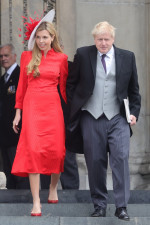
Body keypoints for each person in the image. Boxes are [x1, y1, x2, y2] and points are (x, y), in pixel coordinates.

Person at [66, 21, 141, 221]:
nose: (103, 43)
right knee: (95, 161)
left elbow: (134, 91)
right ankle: (99, 204)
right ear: (94, 39)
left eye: (107, 39)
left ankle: (121, 206)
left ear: (113, 39)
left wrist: (133, 112)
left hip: (118, 117)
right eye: (99, 39)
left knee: (121, 159)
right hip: (91, 116)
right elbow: (70, 84)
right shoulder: (83, 54)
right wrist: (78, 107)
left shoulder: (127, 57)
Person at [11, 10, 68, 216]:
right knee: (33, 152)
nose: (42, 41)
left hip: (53, 108)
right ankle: (36, 201)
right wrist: (18, 113)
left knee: (57, 152)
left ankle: (52, 188)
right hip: (32, 107)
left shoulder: (62, 58)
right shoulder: (27, 56)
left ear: (52, 38)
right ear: (34, 39)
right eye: (38, 37)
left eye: (45, 37)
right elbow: (21, 88)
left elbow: (64, 89)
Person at [40, 38, 79, 190]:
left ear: (62, 48)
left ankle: (72, 195)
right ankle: (44, 194)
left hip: (67, 120)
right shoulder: (40, 67)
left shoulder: (72, 68)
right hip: (45, 120)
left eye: (57, 48)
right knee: (44, 158)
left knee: (68, 159)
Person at [0, 44, 30, 189]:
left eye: (6, 55)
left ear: (14, 56)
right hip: (4, 135)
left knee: (20, 172)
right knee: (8, 171)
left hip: (17, 132)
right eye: (1, 56)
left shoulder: (21, 75)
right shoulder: (2, 79)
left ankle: (22, 204)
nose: (3, 59)